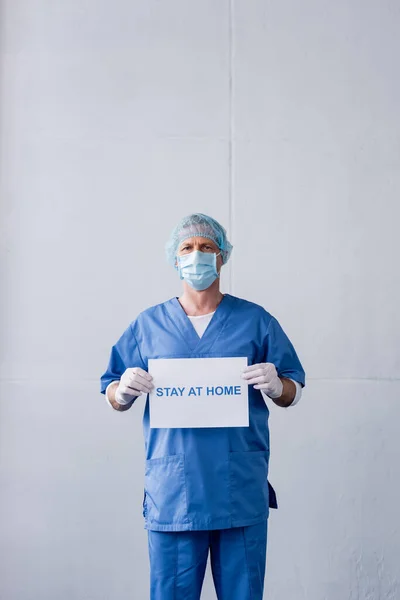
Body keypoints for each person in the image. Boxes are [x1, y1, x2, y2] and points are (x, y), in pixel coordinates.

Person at [100, 213, 305, 600]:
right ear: (175, 260)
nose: (197, 255)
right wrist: (122, 391)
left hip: (237, 488)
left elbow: (293, 389)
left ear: (222, 256)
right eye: (188, 248)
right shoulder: (149, 325)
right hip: (175, 492)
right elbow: (110, 390)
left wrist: (279, 385)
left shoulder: (254, 321)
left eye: (207, 247)